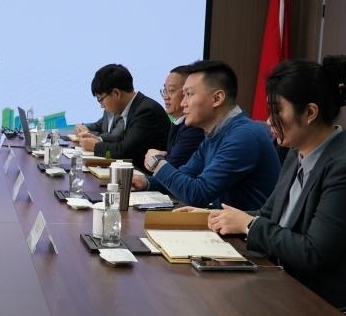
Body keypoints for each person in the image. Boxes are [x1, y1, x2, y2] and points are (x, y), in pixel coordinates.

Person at [207, 56, 346, 308]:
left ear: (310, 112)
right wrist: (216, 217)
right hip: (288, 286)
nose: (269, 121)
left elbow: (313, 253)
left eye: (277, 111)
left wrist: (248, 225)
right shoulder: (296, 153)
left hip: (331, 308)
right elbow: (269, 215)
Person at [135, 59, 280, 210]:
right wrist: (145, 182)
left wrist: (157, 163)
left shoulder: (243, 136)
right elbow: (186, 174)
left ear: (217, 98)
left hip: (246, 225)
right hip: (221, 221)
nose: (183, 103)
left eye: (189, 94)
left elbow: (198, 194)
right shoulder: (215, 133)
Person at [70, 63, 170, 165]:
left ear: (116, 93)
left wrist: (96, 146)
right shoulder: (135, 107)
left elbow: (125, 151)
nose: (101, 106)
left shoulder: (146, 111)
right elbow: (122, 141)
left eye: (100, 99)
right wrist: (97, 139)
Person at [160, 64, 205, 167]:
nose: (166, 97)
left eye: (171, 90)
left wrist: (155, 159)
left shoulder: (194, 127)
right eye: (165, 90)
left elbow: (172, 167)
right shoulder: (177, 122)